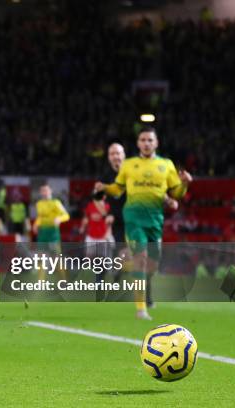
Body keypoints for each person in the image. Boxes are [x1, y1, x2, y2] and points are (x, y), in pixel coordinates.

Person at [95, 127, 192, 320]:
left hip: (155, 219)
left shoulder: (166, 165)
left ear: (156, 143)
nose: (146, 143)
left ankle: (121, 269)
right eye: (142, 140)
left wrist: (185, 184)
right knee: (140, 258)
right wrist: (104, 191)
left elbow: (176, 193)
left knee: (152, 265)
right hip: (131, 219)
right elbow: (115, 189)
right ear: (138, 143)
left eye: (150, 140)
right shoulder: (129, 166)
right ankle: (141, 309)